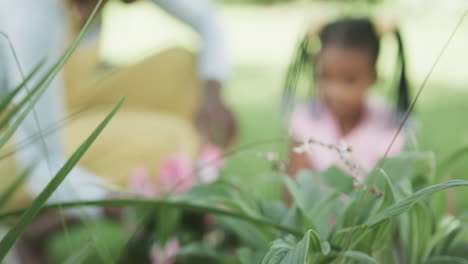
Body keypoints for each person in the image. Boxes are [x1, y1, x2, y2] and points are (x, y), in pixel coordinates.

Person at [0, 0, 235, 216]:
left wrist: (213, 98)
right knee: (169, 143)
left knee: (186, 72)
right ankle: (35, 230)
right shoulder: (31, 9)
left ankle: (42, 227)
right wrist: (112, 202)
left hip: (62, 111)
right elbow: (38, 163)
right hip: (14, 148)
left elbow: (206, 19)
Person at [286, 18, 412, 181]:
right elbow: (296, 190)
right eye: (325, 76)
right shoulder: (306, 120)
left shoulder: (391, 126)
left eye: (349, 80)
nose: (335, 91)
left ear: (373, 77)